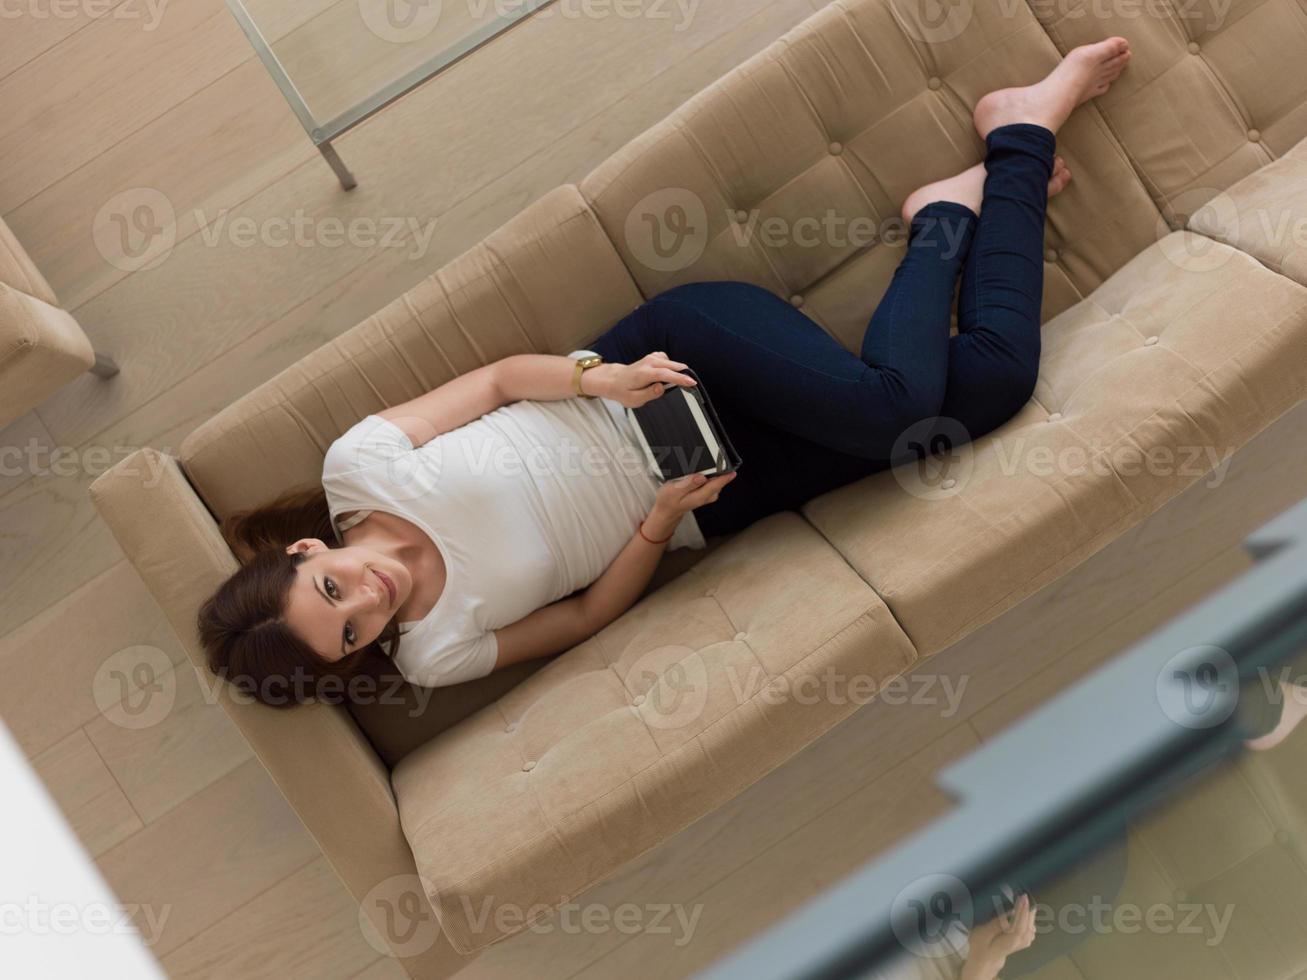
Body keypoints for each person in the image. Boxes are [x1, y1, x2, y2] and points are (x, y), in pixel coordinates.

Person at [197, 38, 1132, 706]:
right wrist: (656, 522)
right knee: (990, 388)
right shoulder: (433, 654)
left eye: (333, 591)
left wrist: (595, 380)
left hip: (660, 367)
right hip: (709, 496)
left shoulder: (357, 468)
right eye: (351, 634)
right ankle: (964, 193)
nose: (370, 603)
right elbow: (581, 619)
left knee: (894, 409)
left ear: (306, 553)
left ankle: (992, 163)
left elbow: (490, 385)